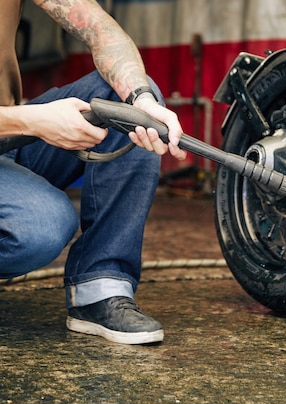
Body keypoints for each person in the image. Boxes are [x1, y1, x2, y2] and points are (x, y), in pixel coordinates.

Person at [0, 0, 188, 344]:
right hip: (17, 124)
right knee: (40, 225)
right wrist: (33, 121)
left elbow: (99, 27)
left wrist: (142, 99)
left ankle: (99, 289)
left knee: (126, 106)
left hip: (9, 139)